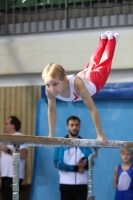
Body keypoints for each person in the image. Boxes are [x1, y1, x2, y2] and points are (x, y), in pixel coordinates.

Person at [41, 30, 120, 146]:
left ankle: (112, 40)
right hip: (83, 76)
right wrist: (51, 135)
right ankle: (103, 41)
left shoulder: (77, 85)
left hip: (94, 82)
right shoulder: (49, 89)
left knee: (104, 63)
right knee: (92, 63)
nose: (52, 89)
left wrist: (100, 134)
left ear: (64, 80)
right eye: (48, 84)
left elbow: (92, 109)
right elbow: (52, 110)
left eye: (54, 84)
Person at [54, 116, 92, 200]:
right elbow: (57, 163)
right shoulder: (61, 144)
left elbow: (91, 163)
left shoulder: (85, 144)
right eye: (72, 125)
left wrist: (85, 165)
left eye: (77, 125)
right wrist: (75, 168)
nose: (74, 127)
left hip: (82, 184)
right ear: (67, 127)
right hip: (66, 184)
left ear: (80, 126)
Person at [0, 116, 28, 200]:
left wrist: (8, 150)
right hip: (5, 176)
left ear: (13, 125)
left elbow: (23, 155)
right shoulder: (6, 139)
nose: (4, 126)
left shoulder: (19, 137)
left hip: (14, 176)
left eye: (6, 124)